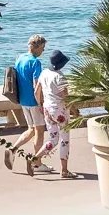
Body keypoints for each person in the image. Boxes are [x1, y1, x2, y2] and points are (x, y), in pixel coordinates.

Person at [2, 34, 47, 171]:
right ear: (37, 47)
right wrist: (41, 103)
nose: (43, 51)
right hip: (34, 101)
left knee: (31, 129)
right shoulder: (35, 62)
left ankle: (13, 149)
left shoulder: (20, 58)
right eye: (43, 48)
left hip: (23, 100)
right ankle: (37, 163)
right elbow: (36, 85)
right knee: (39, 131)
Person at [35, 50, 78, 179]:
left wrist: (40, 105)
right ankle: (64, 170)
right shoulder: (60, 77)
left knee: (53, 139)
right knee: (64, 140)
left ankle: (35, 158)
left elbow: (37, 91)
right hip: (61, 111)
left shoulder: (44, 73)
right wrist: (75, 110)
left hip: (47, 109)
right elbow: (66, 97)